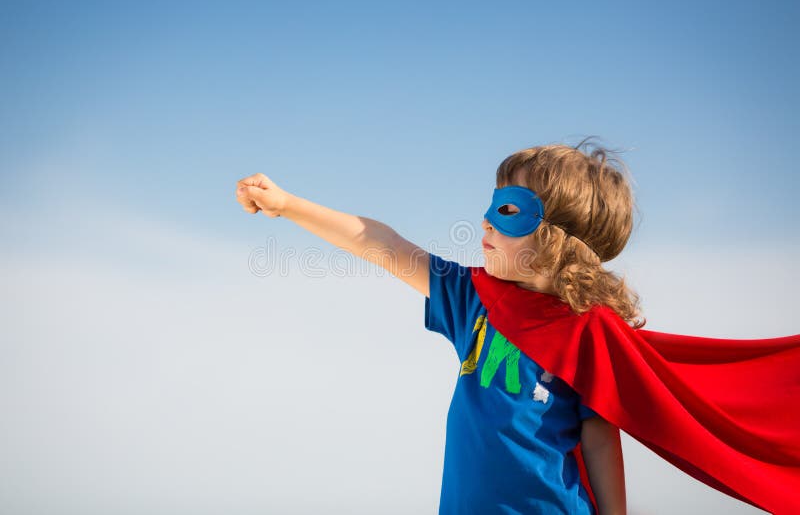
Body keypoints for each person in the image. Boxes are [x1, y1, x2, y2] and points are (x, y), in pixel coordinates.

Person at [235, 139, 799, 515]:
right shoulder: (472, 300)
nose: (483, 219)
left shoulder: (588, 333)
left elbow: (601, 441)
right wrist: (287, 205)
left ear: (553, 236)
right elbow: (379, 245)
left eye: (507, 211)